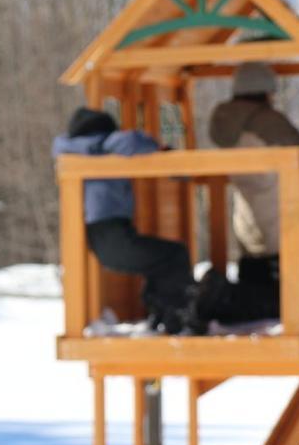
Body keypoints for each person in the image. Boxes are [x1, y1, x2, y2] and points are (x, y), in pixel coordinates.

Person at [52, 107, 197, 333]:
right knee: (174, 255)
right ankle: (177, 319)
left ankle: (162, 314)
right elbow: (130, 142)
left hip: (101, 233)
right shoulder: (104, 145)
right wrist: (161, 149)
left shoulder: (75, 151)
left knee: (160, 261)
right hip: (111, 233)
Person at [205, 63, 299, 323]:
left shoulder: (225, 124)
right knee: (279, 300)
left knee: (254, 289)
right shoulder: (266, 121)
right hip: (280, 217)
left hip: (246, 221)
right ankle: (217, 296)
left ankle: (219, 298)